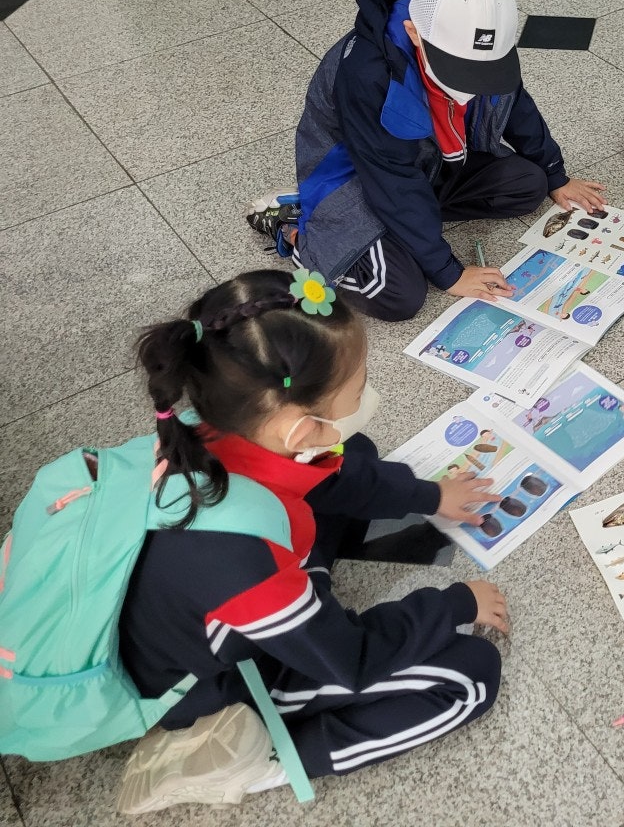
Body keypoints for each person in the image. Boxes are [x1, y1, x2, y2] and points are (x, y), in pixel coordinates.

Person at [115, 269, 510, 814]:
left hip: (205, 605)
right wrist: (455, 603)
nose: (367, 396)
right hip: (208, 686)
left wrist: (430, 495)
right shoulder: (246, 564)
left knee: (353, 453)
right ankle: (265, 760)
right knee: (470, 676)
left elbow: (335, 471)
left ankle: (305, 601)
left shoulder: (210, 426)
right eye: (358, 389)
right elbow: (350, 658)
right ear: (299, 430)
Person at [247, 0, 607, 322]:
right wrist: (449, 272)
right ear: (414, 32)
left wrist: (555, 174)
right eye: (460, 70)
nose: (470, 86)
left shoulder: (479, 31)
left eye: (483, 70)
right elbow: (393, 181)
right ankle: (297, 231)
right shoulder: (368, 75)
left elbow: (515, 105)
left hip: (428, 162)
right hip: (359, 180)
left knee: (529, 184)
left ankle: (409, 226)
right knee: (398, 294)